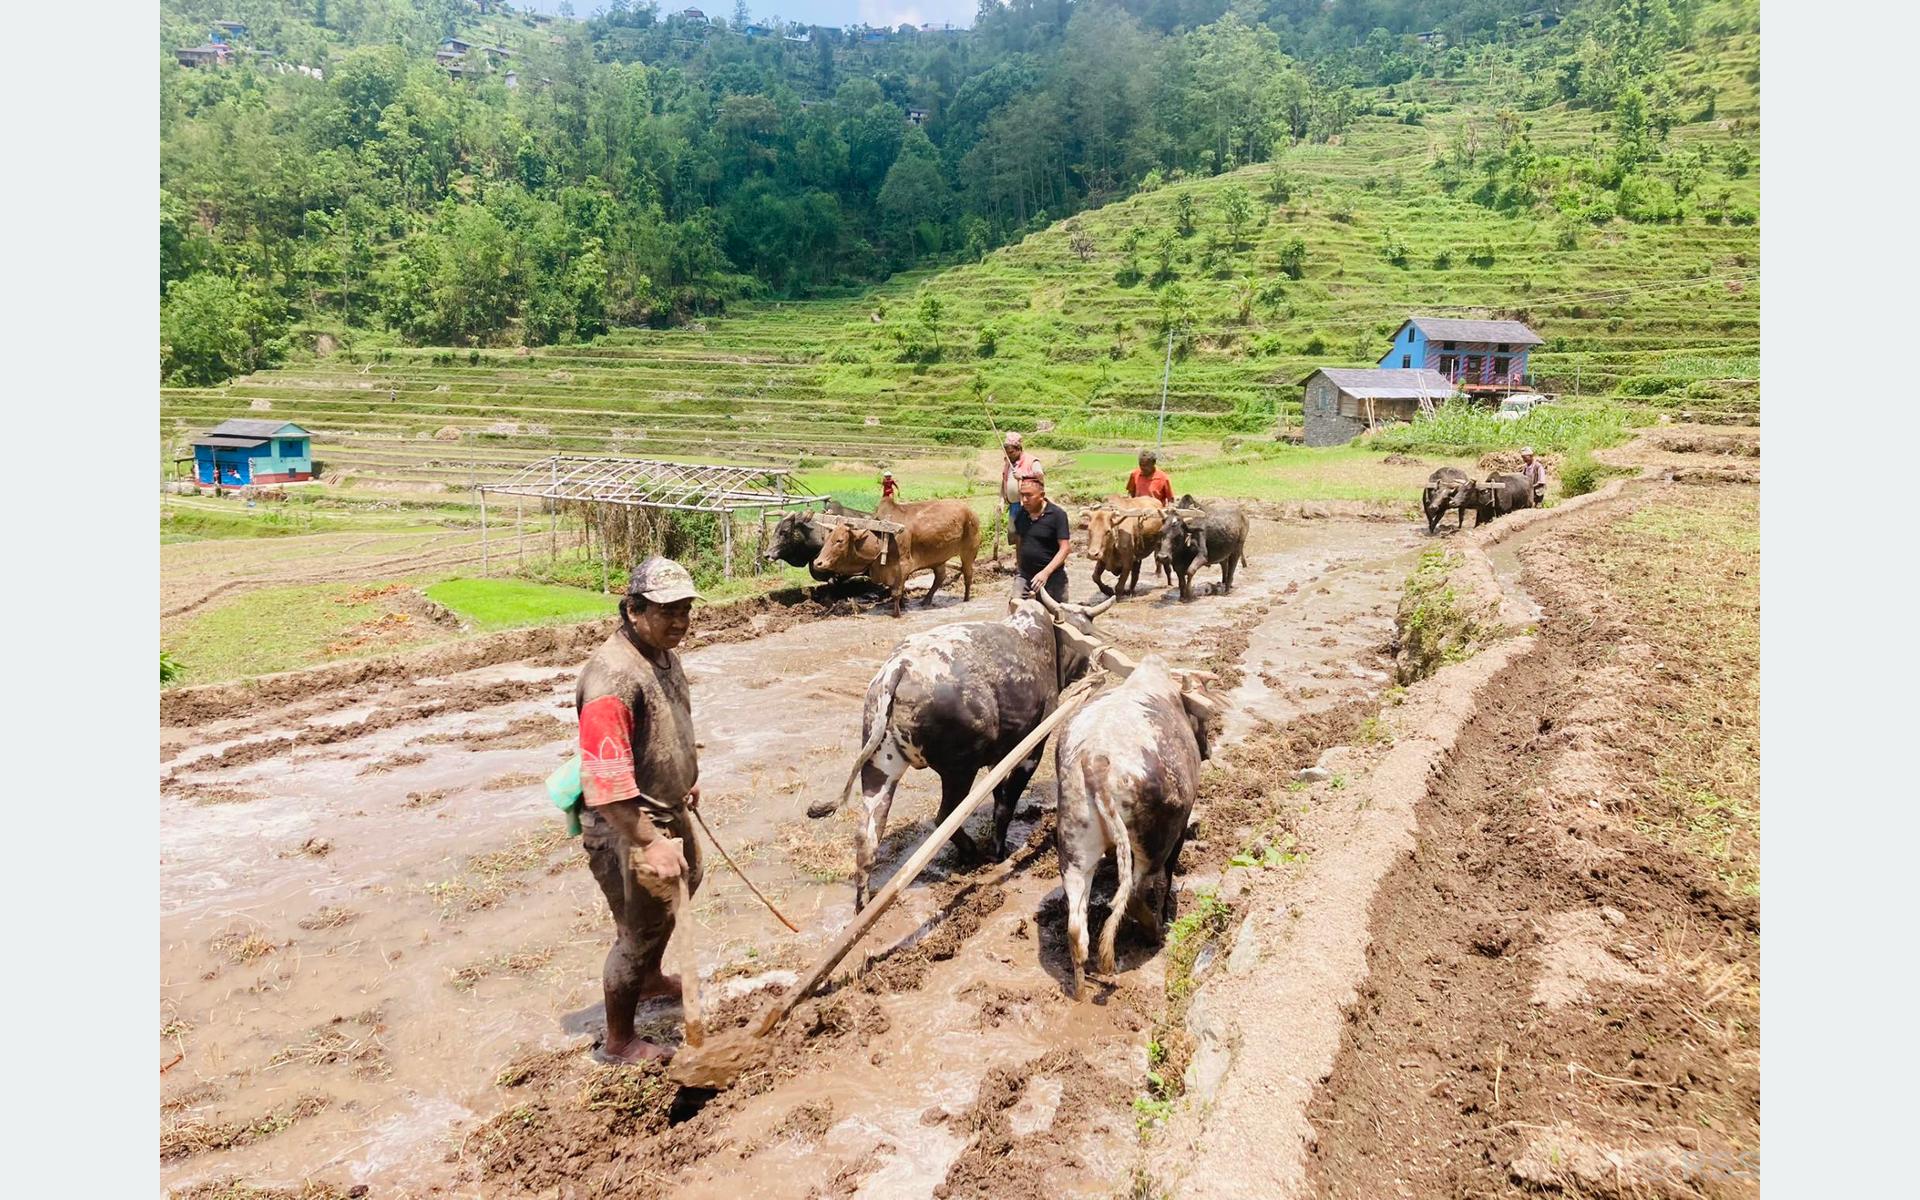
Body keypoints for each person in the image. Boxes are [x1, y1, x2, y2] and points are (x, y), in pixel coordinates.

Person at [575, 557, 706, 1065]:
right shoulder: (611, 678)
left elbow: (666, 727)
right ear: (632, 609)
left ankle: (650, 979)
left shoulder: (663, 655)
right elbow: (605, 788)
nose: (679, 621)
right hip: (626, 826)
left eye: (686, 610)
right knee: (637, 931)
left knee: (681, 890)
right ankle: (619, 1041)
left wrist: (685, 777)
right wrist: (650, 841)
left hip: (666, 810)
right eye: (666, 610)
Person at [1012, 474, 1072, 604]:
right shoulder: (1022, 514)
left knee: (1057, 617)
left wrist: (1045, 573)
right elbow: (1019, 541)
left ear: (1042, 495)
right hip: (1025, 575)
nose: (1024, 500)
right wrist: (1019, 567)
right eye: (1022, 495)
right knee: (1015, 606)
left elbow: (1065, 548)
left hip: (1052, 576)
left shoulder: (1057, 515)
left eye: (1029, 495)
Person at [999, 432, 1043, 546]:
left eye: (1011, 452)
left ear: (1019, 449)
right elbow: (1004, 481)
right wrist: (1001, 501)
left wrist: (1023, 476)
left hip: (1028, 505)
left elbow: (1040, 477)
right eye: (1007, 453)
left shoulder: (1032, 461)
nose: (1009, 455)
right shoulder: (1008, 462)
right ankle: (1020, 560)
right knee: (1015, 535)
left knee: (1028, 534)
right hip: (1014, 505)